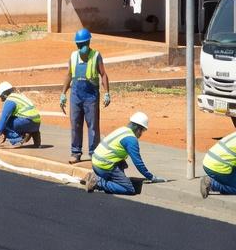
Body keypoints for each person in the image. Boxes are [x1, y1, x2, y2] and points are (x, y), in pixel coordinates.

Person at [59, 29, 111, 164]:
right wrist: (63, 93)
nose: (81, 47)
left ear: (88, 43)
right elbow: (69, 75)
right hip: (76, 94)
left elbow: (103, 74)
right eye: (78, 44)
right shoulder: (73, 56)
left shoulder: (96, 56)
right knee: (75, 123)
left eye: (83, 44)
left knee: (92, 124)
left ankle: (94, 152)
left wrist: (107, 92)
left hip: (91, 95)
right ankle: (75, 152)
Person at [85, 112, 160, 194]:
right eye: (142, 131)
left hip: (96, 162)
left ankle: (99, 178)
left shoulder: (122, 129)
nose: (141, 134)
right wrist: (151, 177)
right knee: (128, 189)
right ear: (138, 129)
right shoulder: (131, 140)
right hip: (104, 166)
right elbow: (138, 163)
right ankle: (98, 182)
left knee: (122, 163)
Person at [0, 81, 42, 148]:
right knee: (16, 118)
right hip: (36, 123)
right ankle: (36, 141)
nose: (1, 99)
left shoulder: (10, 100)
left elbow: (4, 119)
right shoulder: (20, 96)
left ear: (4, 94)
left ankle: (17, 140)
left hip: (27, 121)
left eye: (1, 97)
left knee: (6, 123)